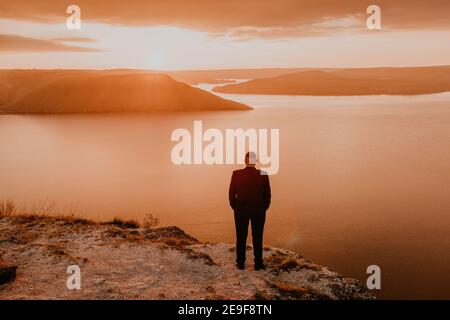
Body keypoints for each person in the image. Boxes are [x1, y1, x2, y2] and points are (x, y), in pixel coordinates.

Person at [228, 152, 271, 270]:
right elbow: (267, 194)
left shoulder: (236, 174)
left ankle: (240, 263)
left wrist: (235, 206)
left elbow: (232, 193)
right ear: (256, 161)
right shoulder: (263, 174)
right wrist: (265, 207)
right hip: (259, 211)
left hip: (241, 210)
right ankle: (258, 263)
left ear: (245, 161)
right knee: (258, 237)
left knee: (241, 237)